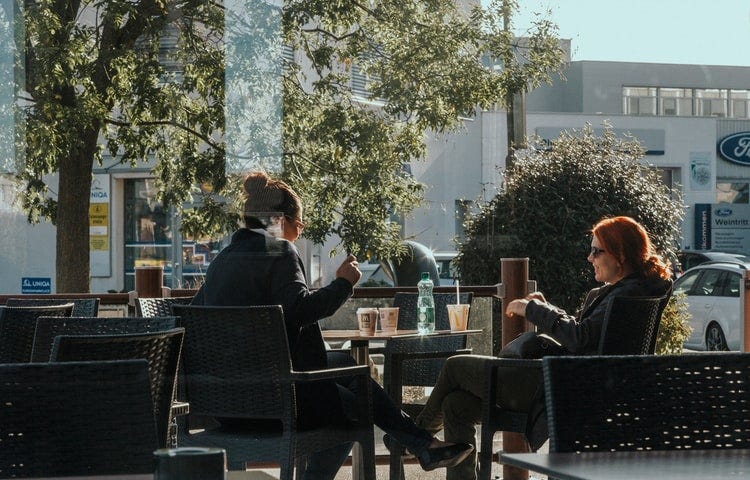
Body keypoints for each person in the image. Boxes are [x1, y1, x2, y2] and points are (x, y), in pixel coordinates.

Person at [192, 171, 473, 479]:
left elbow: (197, 318)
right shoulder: (280, 251)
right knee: (358, 410)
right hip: (279, 402)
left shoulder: (222, 261)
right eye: (299, 226)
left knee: (352, 368)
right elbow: (300, 308)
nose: (298, 234)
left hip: (227, 404)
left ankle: (420, 442)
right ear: (280, 221)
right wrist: (344, 283)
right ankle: (415, 443)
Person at [413, 216, 673, 480]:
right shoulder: (634, 292)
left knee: (456, 365)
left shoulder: (621, 295)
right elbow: (585, 337)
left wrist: (532, 309)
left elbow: (580, 338)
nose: (589, 257)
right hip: (576, 385)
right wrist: (548, 308)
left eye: (596, 251)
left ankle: (417, 440)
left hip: (558, 386)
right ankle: (429, 448)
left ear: (620, 255)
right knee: (456, 405)